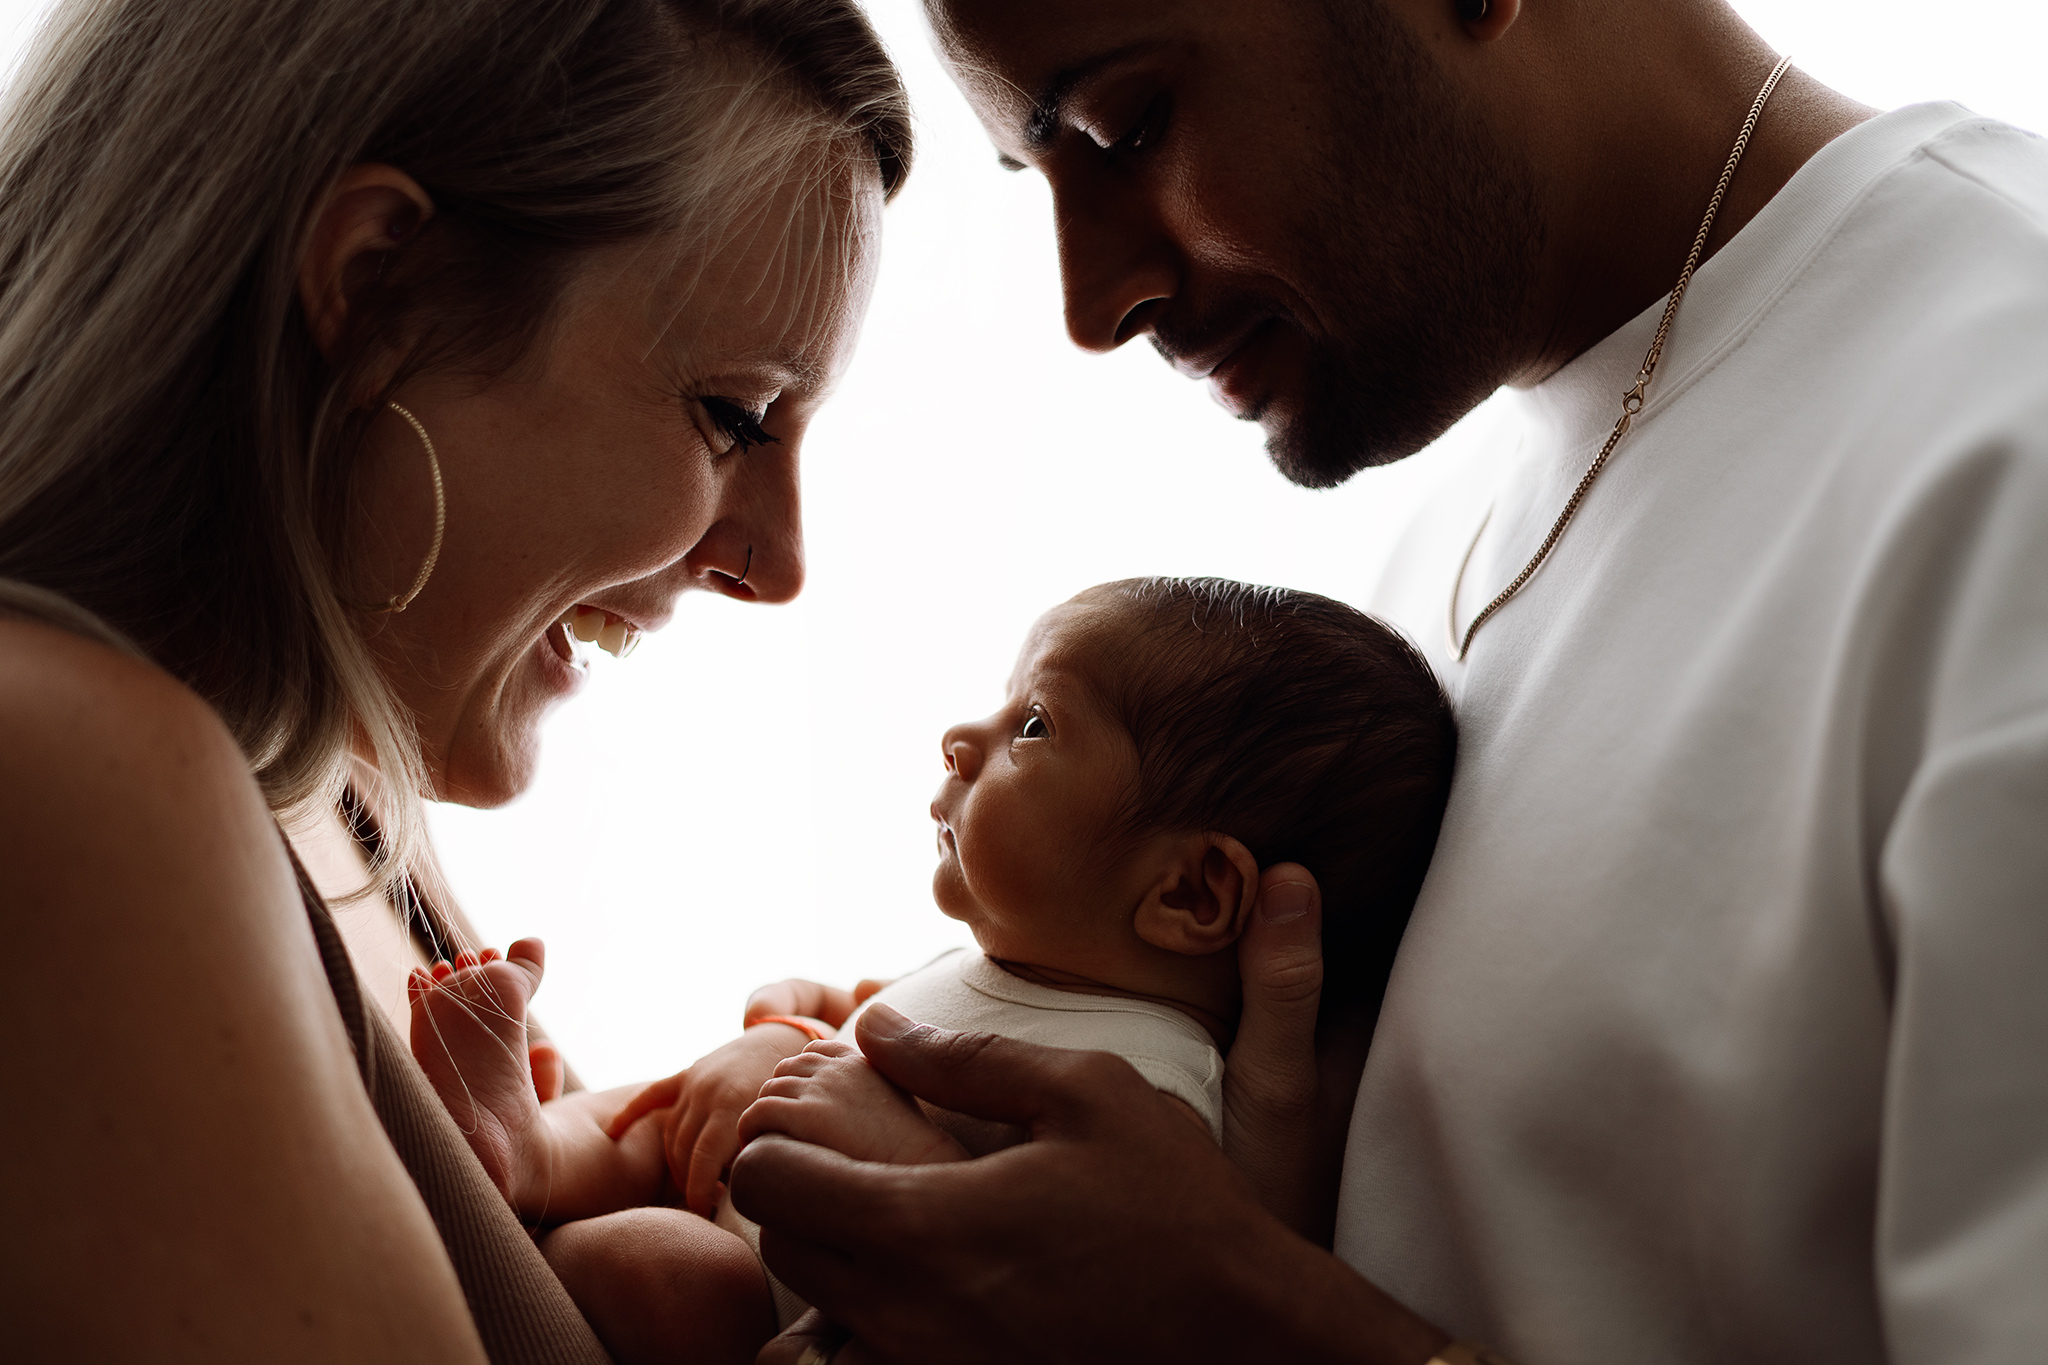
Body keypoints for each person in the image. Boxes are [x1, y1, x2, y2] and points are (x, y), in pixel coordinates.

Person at [727, 0, 2048, 1361]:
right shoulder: (1434, 557)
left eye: (1129, 125)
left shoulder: (2006, 438)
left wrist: (1241, 1326)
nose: (1090, 303)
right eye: (1039, 173)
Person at [0, 0, 914, 1358]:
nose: (777, 563)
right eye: (733, 415)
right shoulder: (67, 771)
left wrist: (776, 1174)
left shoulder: (344, 799)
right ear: (378, 294)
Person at [407, 575, 1456, 1352]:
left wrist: (850, 1109)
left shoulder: (1156, 1101)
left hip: (788, 1304)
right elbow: (856, 1048)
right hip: (751, 1188)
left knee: (664, 1276)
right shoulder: (995, 966)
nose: (963, 735)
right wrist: (786, 1043)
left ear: (1188, 895)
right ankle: (536, 1150)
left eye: (1035, 725)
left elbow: (1032, 1267)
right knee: (684, 1103)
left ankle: (546, 1178)